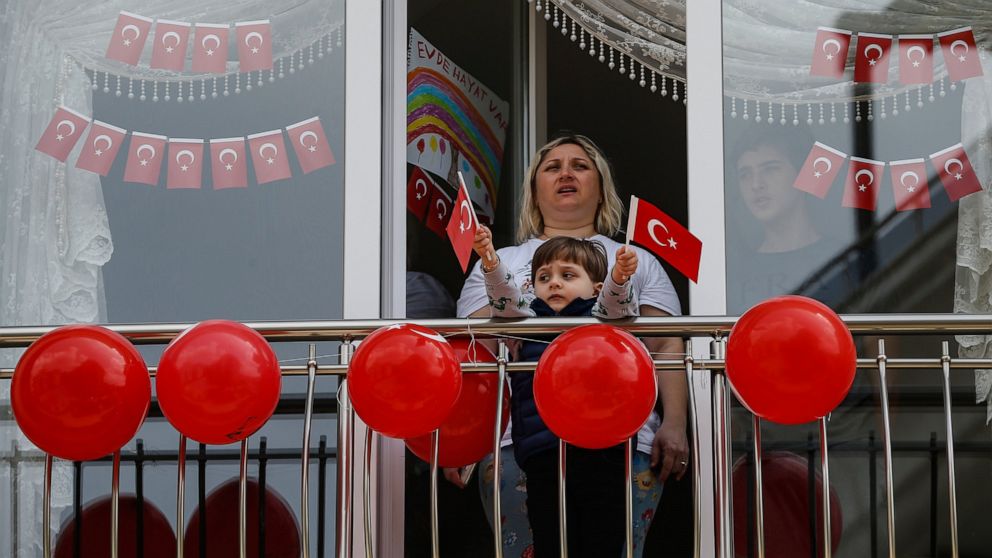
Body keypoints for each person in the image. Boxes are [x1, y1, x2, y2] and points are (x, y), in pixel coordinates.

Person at [452, 134, 689, 557]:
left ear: (601, 189)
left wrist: (674, 424)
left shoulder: (636, 258)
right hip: (517, 446)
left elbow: (667, 345)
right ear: (533, 191)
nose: (565, 173)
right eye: (552, 166)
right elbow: (474, 352)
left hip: (627, 443)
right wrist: (460, 437)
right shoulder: (500, 261)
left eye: (580, 165)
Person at [471, 232, 639, 557]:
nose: (555, 284)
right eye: (544, 277)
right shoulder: (527, 319)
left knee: (602, 537)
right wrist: (490, 259)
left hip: (601, 449)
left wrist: (620, 275)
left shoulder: (600, 317)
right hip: (543, 452)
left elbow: (619, 303)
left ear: (596, 287)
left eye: (568, 275)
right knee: (552, 541)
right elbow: (503, 297)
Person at [727, 126, 849, 314]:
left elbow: (877, 338)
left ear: (803, 174)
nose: (756, 184)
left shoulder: (845, 259)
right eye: (745, 174)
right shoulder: (734, 273)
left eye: (770, 169)